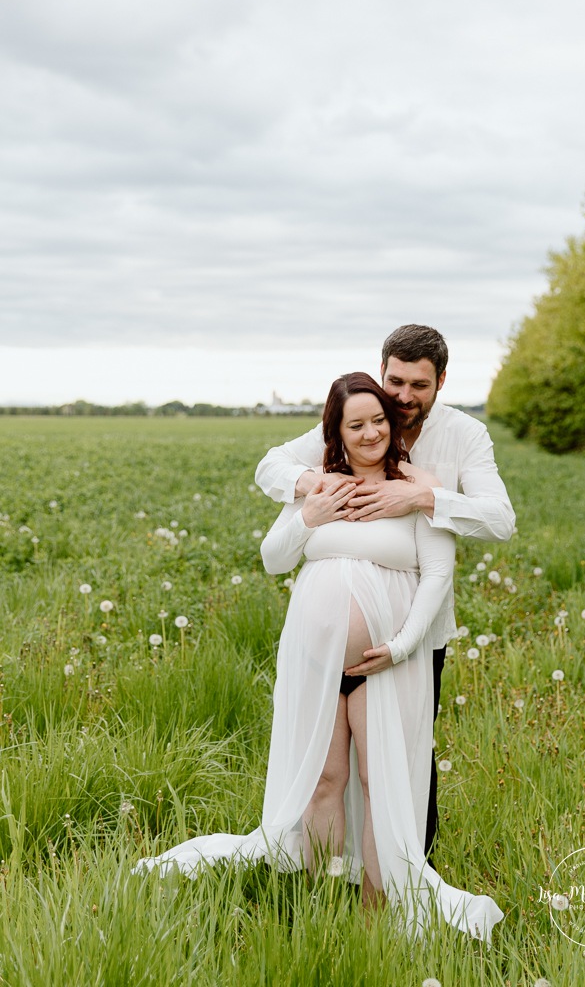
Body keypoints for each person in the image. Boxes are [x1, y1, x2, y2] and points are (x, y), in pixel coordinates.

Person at [135, 372, 504, 943]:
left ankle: (376, 912)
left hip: (387, 665)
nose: (371, 432)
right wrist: (311, 515)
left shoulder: (413, 488)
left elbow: (438, 573)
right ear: (335, 431)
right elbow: (273, 559)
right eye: (356, 424)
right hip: (314, 664)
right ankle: (322, 898)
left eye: (378, 420)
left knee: (379, 782)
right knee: (325, 780)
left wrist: (401, 646)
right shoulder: (321, 489)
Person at [255, 325, 515, 856]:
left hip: (412, 637)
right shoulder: (361, 415)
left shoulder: (464, 436)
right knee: (327, 770)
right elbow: (272, 467)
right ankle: (332, 879)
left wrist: (422, 499)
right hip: (320, 650)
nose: (402, 397)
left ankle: (410, 873)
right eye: (395, 380)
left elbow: (499, 520)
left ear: (441, 381)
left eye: (419, 384)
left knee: (405, 763)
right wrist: (315, 488)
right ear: (381, 373)